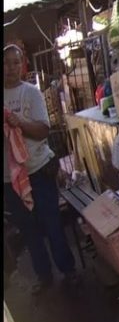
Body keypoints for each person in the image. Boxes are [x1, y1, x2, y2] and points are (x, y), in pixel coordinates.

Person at [4, 44, 79, 293]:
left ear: (23, 64)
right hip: (9, 179)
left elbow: (43, 130)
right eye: (6, 63)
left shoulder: (31, 94)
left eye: (15, 62)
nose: (11, 68)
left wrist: (20, 123)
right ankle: (43, 276)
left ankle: (68, 271)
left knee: (51, 223)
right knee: (28, 229)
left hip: (38, 169)